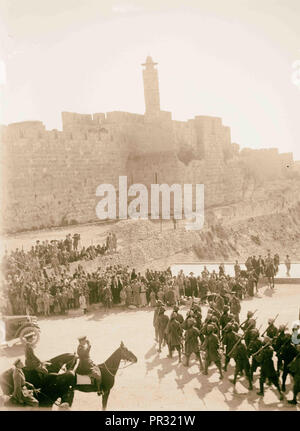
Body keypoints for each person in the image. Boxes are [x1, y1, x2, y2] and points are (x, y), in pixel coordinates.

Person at [255, 336, 283, 400]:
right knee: (275, 381)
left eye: (264, 340)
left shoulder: (264, 350)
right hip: (270, 365)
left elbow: (260, 359)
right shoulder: (270, 349)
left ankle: (262, 392)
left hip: (265, 366)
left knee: (262, 379)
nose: (263, 341)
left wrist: (255, 357)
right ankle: (280, 393)